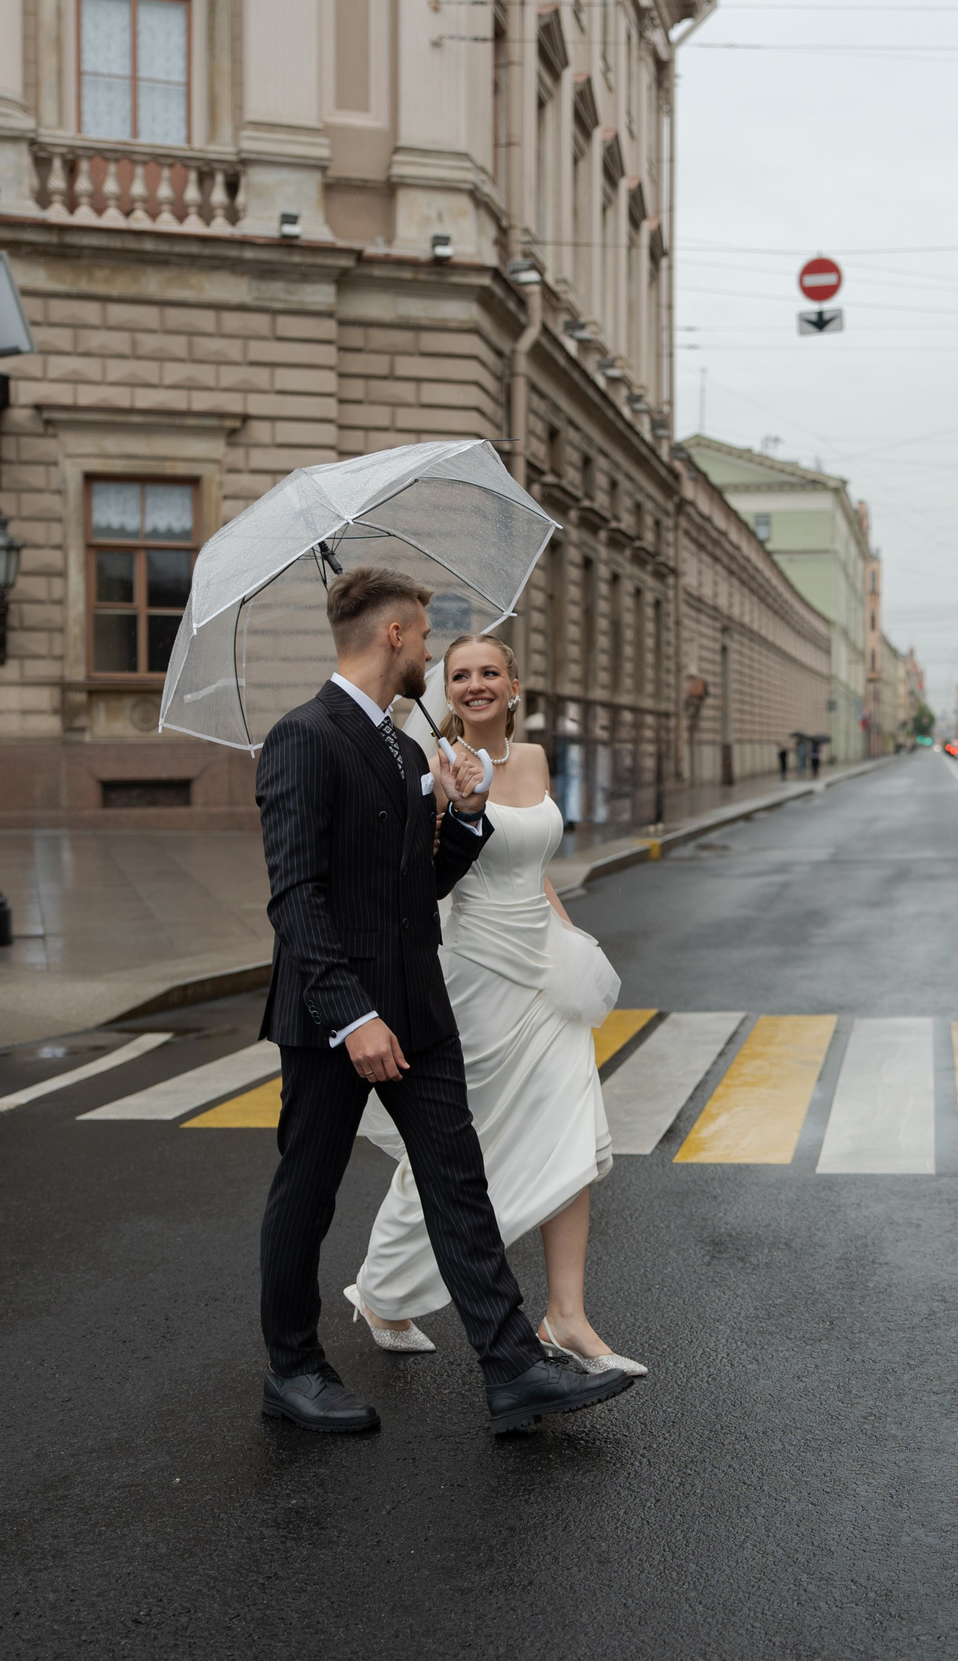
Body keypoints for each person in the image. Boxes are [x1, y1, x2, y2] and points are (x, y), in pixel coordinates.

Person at [253, 565, 634, 1435]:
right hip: (335, 1019)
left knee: (459, 1185)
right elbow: (296, 896)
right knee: (306, 1193)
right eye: (426, 637)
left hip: (419, 1005)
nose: (430, 653)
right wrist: (352, 1014)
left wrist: (463, 816)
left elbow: (415, 886)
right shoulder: (304, 736)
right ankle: (294, 1369)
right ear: (394, 634)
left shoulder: (399, 746)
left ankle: (513, 1366)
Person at [345, 634, 646, 1379]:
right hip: (476, 970)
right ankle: (383, 1290)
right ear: (446, 691)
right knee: (457, 1146)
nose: (474, 684)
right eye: (459, 675)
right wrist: (454, 804)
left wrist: (570, 940)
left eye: (489, 672)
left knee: (571, 1127)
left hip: (547, 970)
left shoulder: (536, 758)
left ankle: (566, 1316)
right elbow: (422, 879)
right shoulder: (432, 763)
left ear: (514, 686)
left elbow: (534, 867)